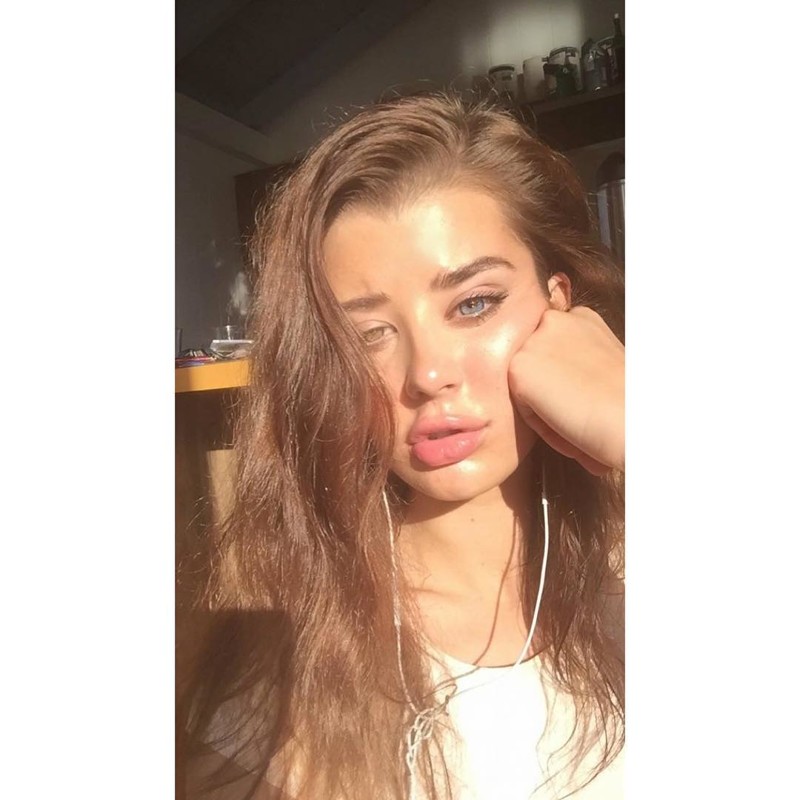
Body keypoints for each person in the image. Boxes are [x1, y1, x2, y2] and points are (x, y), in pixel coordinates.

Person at [178, 91, 625, 800]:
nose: (427, 374)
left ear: (559, 302)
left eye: (474, 303)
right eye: (367, 336)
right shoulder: (286, 671)